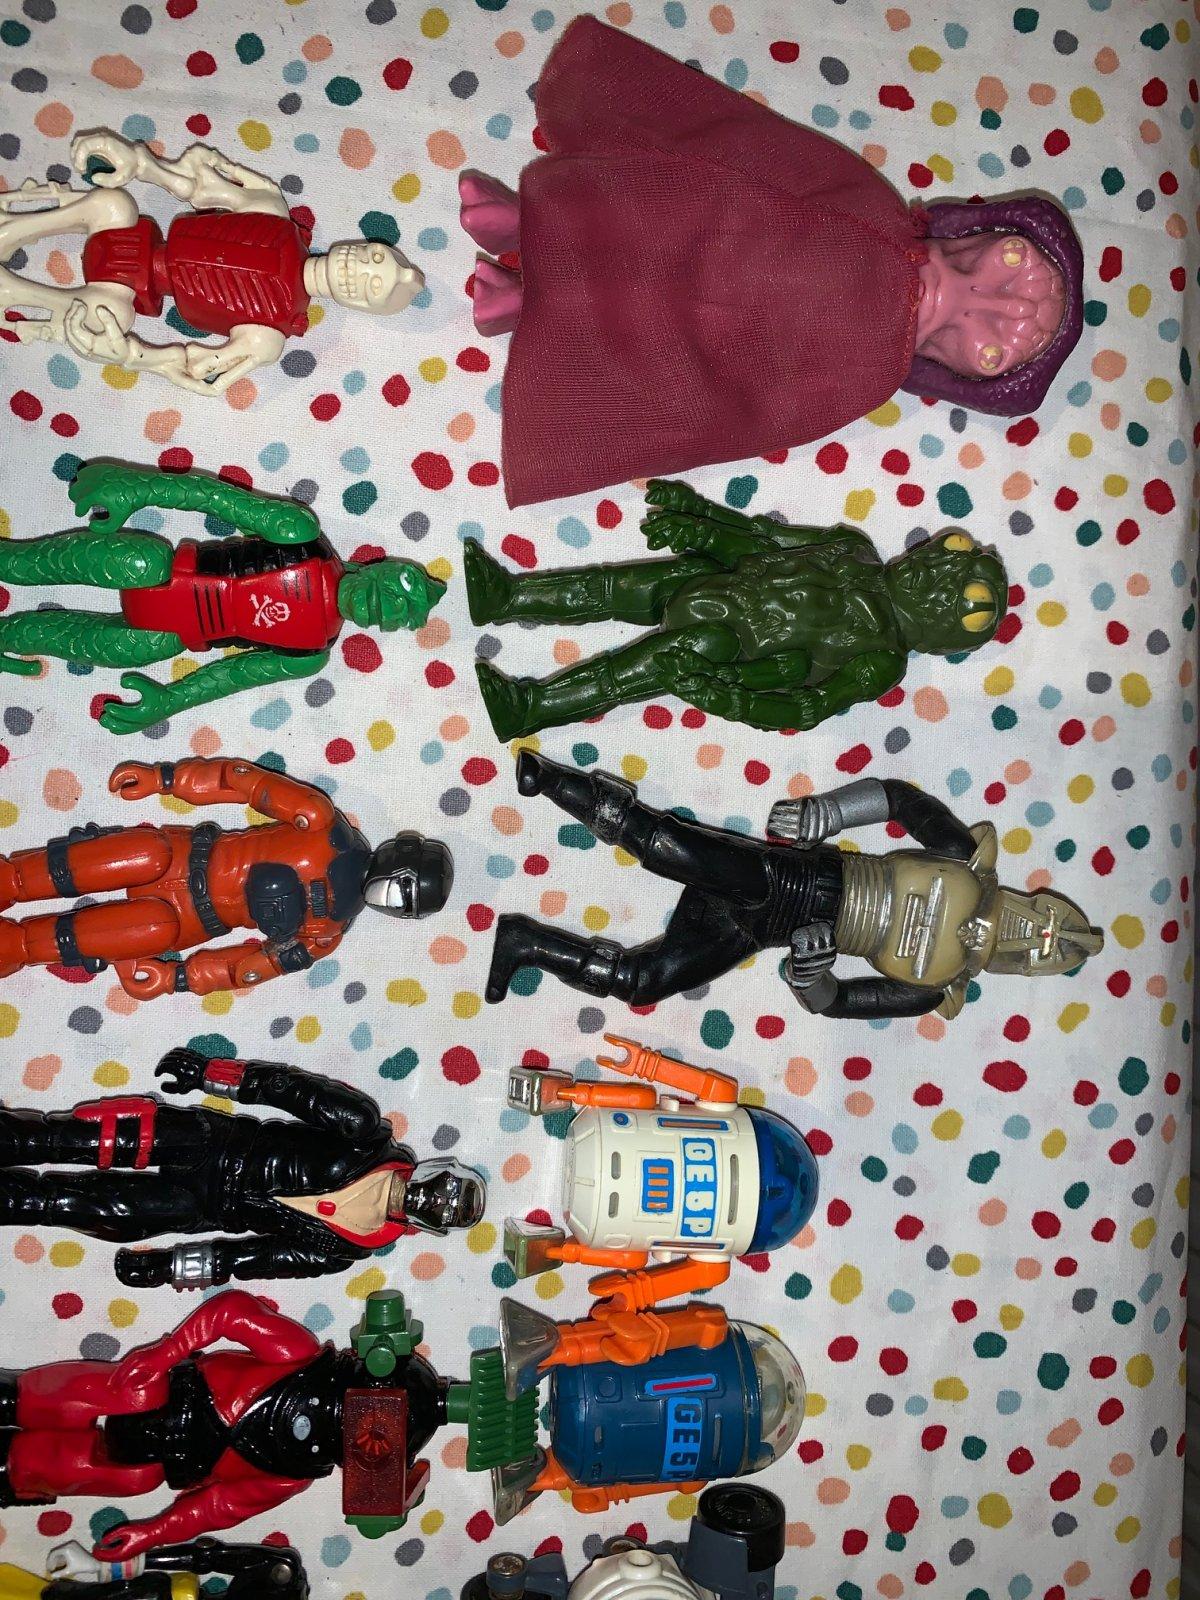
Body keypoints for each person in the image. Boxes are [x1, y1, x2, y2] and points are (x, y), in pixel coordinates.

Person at [459, 15, 1084, 507]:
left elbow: (743, 409)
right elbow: (764, 152)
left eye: (988, 351)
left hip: (739, 336)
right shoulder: (875, 211)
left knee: (661, 342)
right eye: (1005, 260)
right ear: (982, 229)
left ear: (965, 377)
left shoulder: (863, 375)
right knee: (662, 207)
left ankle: (526, 299)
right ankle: (526, 221)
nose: (968, 301)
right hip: (732, 226)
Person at [487, 753, 1103, 1021]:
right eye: (1039, 923)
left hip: (764, 930)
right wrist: (826, 813)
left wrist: (811, 977)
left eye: (1034, 948)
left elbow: (835, 1003)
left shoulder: (928, 989)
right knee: (663, 844)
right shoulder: (961, 856)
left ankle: (526, 943)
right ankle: (549, 779)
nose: (1021, 934)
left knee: (642, 982)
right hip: (793, 875)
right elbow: (898, 799)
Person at [0, 1046, 484, 1287]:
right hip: (214, 1144)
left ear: (430, 1226)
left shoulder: (342, 1250)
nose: (431, 1197)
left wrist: (173, 1268)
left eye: (441, 1208)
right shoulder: (362, 1130)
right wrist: (208, 1074)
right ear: (438, 1168)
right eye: (444, 1188)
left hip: (201, 1207)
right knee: (99, 1135)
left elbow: (250, 1260)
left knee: (93, 1209)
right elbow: (287, 1089)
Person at [0, 757, 452, 999]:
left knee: (148, 930)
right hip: (184, 857)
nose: (392, 898)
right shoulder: (319, 821)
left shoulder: (325, 933)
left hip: (185, 919)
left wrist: (178, 979)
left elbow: (249, 967)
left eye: (404, 904)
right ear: (400, 854)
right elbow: (241, 782)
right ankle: (14, 879)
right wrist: (166, 778)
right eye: (403, 886)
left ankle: (20, 946)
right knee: (145, 851)